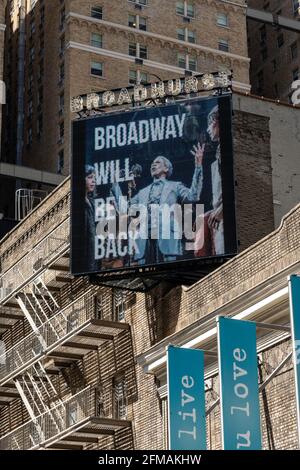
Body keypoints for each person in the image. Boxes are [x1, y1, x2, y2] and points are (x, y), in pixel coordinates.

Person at [111, 153, 203, 265]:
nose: (153, 165)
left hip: (167, 238)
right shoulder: (142, 192)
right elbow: (125, 209)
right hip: (145, 241)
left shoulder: (175, 186)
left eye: (157, 163)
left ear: (166, 168)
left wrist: (198, 166)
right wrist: (115, 184)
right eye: (152, 164)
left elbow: (193, 196)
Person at [194, 104, 224, 257]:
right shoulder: (219, 154)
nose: (208, 129)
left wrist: (220, 211)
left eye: (211, 123)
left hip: (225, 223)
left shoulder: (228, 152)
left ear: (219, 121)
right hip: (218, 222)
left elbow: (236, 190)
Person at [84, 165, 98, 271]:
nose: (93, 181)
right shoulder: (78, 203)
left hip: (95, 254)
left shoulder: (93, 202)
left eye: (94, 178)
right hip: (86, 255)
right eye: (90, 177)